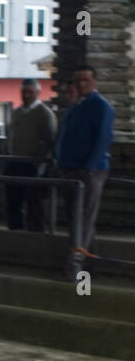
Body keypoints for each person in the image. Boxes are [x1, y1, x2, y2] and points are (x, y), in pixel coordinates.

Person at [53, 64, 115, 251]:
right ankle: (88, 260)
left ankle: (75, 264)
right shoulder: (74, 107)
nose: (81, 84)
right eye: (78, 80)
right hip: (69, 169)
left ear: (94, 81)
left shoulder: (101, 106)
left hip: (89, 171)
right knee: (73, 217)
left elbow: (103, 139)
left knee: (84, 218)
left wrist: (90, 168)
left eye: (86, 80)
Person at [4, 79, 56, 232]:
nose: (26, 95)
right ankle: (15, 231)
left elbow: (49, 141)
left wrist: (42, 166)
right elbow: (9, 136)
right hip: (14, 162)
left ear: (37, 93)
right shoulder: (16, 112)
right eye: (24, 92)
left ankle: (36, 234)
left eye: (30, 92)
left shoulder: (45, 114)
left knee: (34, 203)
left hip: (33, 164)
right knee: (13, 201)